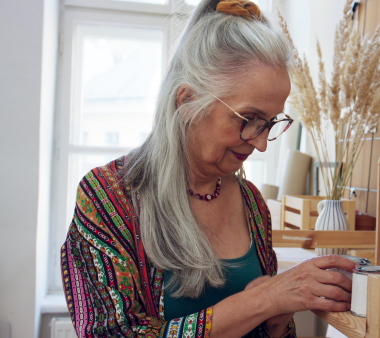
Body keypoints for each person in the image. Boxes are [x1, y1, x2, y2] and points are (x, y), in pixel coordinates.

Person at [60, 0, 356, 336]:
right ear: (187, 102)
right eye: (249, 119)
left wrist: (275, 321)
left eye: (271, 123)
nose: (260, 143)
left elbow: (270, 327)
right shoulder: (107, 197)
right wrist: (261, 302)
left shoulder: (252, 204)